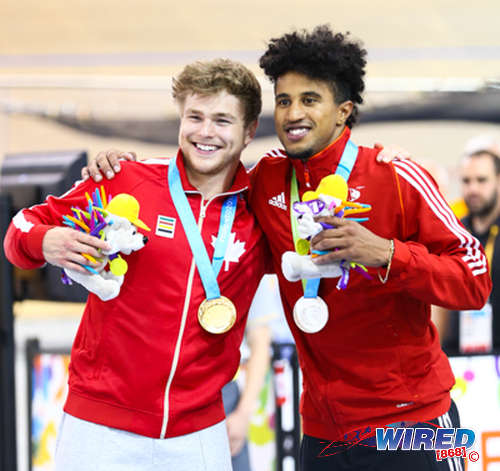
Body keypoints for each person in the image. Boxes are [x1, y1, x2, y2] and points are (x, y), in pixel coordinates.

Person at [81, 26, 491, 470]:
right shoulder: (267, 181)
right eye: (283, 100)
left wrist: (387, 254)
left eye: (310, 99)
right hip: (323, 429)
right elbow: (201, 183)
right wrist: (125, 169)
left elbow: (475, 282)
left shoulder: (396, 176)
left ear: (344, 111)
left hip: (414, 424)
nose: (293, 113)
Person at [3, 59, 270, 471]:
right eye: (194, 116)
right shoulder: (125, 178)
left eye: (222, 120)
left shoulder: (260, 211)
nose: (205, 132)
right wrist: (46, 241)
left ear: (249, 130)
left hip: (199, 433)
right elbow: (21, 229)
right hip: (100, 427)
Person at [439, 149, 500, 353]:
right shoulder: (452, 233)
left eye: (482, 180)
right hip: (458, 358)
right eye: (466, 181)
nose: (473, 189)